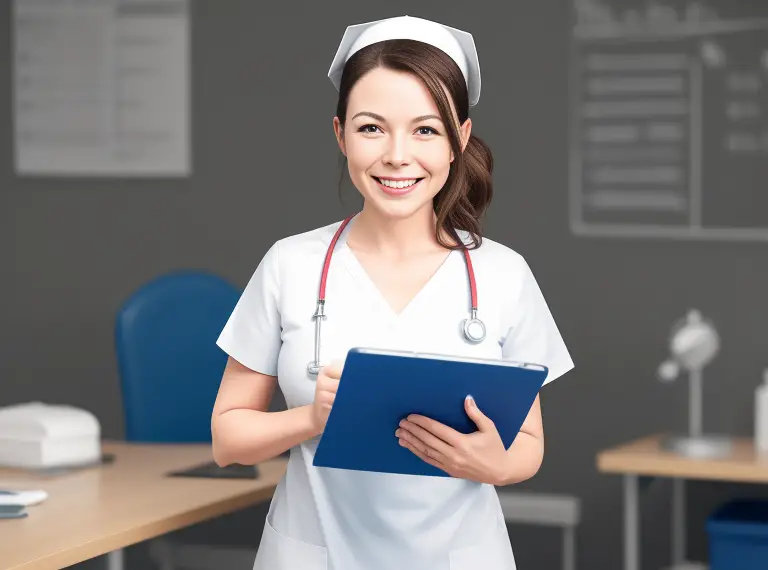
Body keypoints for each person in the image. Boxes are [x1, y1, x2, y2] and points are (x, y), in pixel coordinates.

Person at [211, 15, 574, 570]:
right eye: (372, 128)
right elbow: (227, 438)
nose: (397, 155)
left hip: (460, 556)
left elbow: (528, 445)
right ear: (341, 135)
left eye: (425, 130)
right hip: (314, 554)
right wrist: (311, 420)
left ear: (460, 140)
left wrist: (488, 464)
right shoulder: (290, 264)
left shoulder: (503, 275)